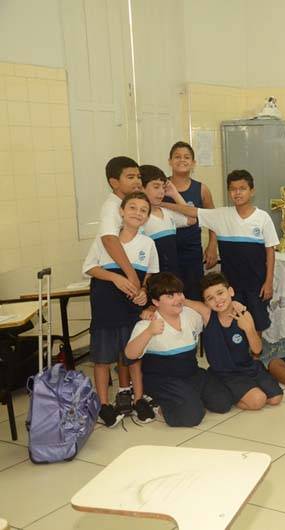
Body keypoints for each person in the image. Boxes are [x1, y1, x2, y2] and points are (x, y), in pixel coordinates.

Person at [163, 169, 279, 333]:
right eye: (233, 189)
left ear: (252, 191)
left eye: (242, 188)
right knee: (233, 323)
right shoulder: (221, 215)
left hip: (256, 284)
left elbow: (270, 252)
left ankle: (255, 349)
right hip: (230, 285)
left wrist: (269, 282)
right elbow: (192, 211)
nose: (237, 193)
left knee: (256, 323)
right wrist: (161, 204)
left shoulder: (263, 218)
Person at [83, 191, 158, 427]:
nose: (138, 213)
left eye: (143, 210)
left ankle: (138, 399)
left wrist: (143, 291)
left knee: (133, 357)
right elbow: (89, 267)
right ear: (121, 211)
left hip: (131, 310)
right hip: (105, 306)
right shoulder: (106, 239)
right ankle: (104, 405)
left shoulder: (148, 244)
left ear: (147, 217)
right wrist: (115, 278)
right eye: (132, 208)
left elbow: (150, 275)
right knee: (102, 359)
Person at [124, 272, 232, 427]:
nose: (177, 299)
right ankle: (156, 403)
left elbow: (208, 312)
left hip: (191, 373)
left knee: (223, 402)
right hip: (163, 380)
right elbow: (130, 354)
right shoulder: (147, 324)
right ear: (155, 301)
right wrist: (149, 332)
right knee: (192, 416)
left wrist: (234, 304)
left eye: (179, 293)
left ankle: (188, 397)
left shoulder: (190, 315)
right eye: (170, 296)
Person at [96, 156, 145, 417]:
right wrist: (129, 274)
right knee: (109, 347)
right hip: (113, 285)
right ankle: (108, 402)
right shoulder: (111, 206)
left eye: (139, 176)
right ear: (114, 182)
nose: (137, 180)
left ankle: (131, 393)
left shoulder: (130, 207)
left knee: (129, 342)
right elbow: (108, 240)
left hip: (131, 284)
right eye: (130, 176)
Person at [197, 272, 283, 410]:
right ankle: (233, 396)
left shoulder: (244, 314)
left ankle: (245, 391)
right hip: (226, 373)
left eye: (220, 293)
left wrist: (249, 329)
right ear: (206, 303)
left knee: (276, 398)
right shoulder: (208, 315)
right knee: (258, 400)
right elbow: (184, 302)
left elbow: (257, 350)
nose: (217, 300)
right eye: (210, 298)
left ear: (230, 291)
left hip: (248, 367)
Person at [166, 141, 218, 300]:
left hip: (192, 252)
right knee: (169, 296)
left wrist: (212, 246)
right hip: (166, 251)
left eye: (186, 157)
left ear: (193, 163)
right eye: (177, 157)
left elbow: (213, 220)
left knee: (194, 296)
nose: (182, 160)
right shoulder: (160, 186)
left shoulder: (202, 189)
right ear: (170, 161)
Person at [140, 165, 195, 276]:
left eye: (163, 187)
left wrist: (175, 194)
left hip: (173, 275)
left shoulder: (167, 212)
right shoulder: (139, 218)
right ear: (141, 188)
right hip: (154, 277)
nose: (161, 192)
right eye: (156, 187)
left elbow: (192, 218)